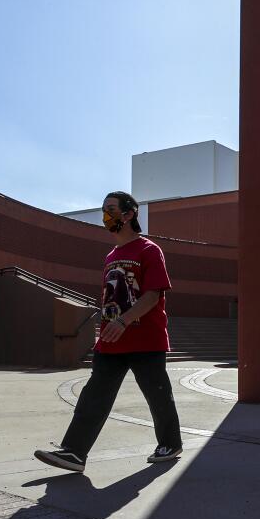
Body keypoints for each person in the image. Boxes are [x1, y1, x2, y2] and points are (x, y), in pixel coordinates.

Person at [34, 191, 183, 472]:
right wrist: (106, 328)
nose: (106, 215)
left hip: (145, 339)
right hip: (111, 341)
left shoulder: (149, 250)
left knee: (158, 394)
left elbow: (152, 295)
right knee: (94, 395)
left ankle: (170, 443)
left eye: (111, 209)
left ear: (129, 214)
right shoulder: (112, 255)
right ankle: (74, 453)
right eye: (104, 210)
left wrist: (124, 321)